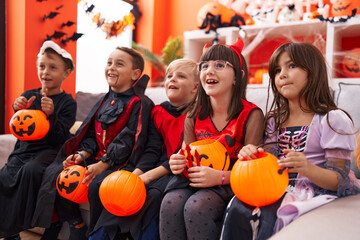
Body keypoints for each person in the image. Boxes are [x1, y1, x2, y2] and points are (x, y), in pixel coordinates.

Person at [221, 42, 360, 240]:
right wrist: (252, 156)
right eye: (277, 70)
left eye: (291, 66)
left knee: (269, 213)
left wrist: (307, 168)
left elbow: (340, 179)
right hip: (277, 188)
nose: (282, 75)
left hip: (314, 192)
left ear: (313, 71)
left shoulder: (331, 119)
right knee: (238, 206)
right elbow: (267, 166)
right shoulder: (273, 121)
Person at [31, 46, 154, 239]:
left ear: (135, 74)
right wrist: (82, 155)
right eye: (109, 62)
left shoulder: (139, 103)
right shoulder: (105, 99)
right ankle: (75, 223)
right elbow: (90, 134)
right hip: (97, 158)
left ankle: (95, 233)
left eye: (119, 64)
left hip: (122, 163)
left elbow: (128, 140)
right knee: (59, 171)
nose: (111, 68)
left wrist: (102, 164)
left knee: (97, 185)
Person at [159, 38, 265, 240]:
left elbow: (254, 171)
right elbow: (186, 155)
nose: (209, 70)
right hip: (194, 181)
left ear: (237, 77)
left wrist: (220, 177)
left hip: (230, 183)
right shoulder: (194, 115)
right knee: (170, 202)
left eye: (220, 65)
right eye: (204, 65)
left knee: (197, 206)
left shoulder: (251, 115)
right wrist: (177, 163)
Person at [89, 58, 200, 240]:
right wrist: (136, 174)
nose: (172, 79)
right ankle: (99, 236)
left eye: (180, 76)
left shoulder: (198, 115)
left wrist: (147, 177)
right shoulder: (158, 112)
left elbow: (182, 156)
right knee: (124, 192)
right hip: (155, 167)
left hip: (179, 171)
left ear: (195, 87)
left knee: (152, 195)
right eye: (169, 76)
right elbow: (151, 150)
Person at [0, 41, 76, 239]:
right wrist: (17, 110)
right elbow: (21, 129)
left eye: (53, 68)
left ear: (66, 73)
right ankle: (9, 231)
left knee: (30, 171)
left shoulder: (67, 103)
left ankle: (27, 223)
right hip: (24, 151)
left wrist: (51, 115)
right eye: (42, 67)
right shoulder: (28, 96)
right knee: (5, 175)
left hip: (49, 152)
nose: (46, 72)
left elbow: (59, 136)